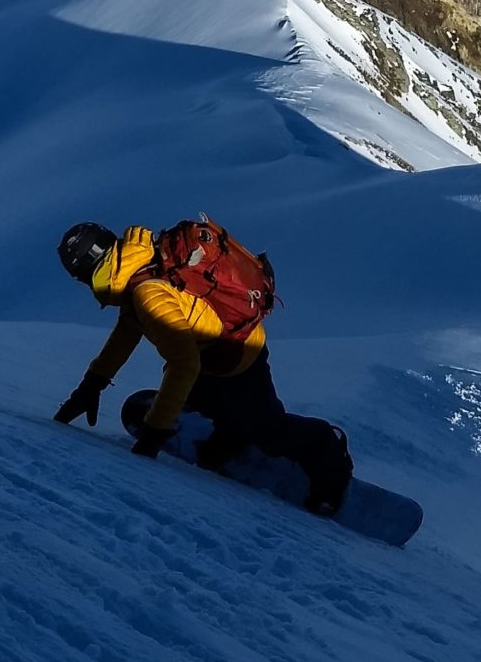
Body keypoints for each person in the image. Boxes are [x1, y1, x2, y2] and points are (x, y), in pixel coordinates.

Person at [53, 220, 353, 514]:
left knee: (266, 430)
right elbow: (125, 335)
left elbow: (184, 365)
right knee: (215, 413)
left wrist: (153, 436)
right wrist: (90, 387)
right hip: (211, 359)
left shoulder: (147, 292)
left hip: (239, 356)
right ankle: (228, 437)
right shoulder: (137, 268)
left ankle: (328, 452)